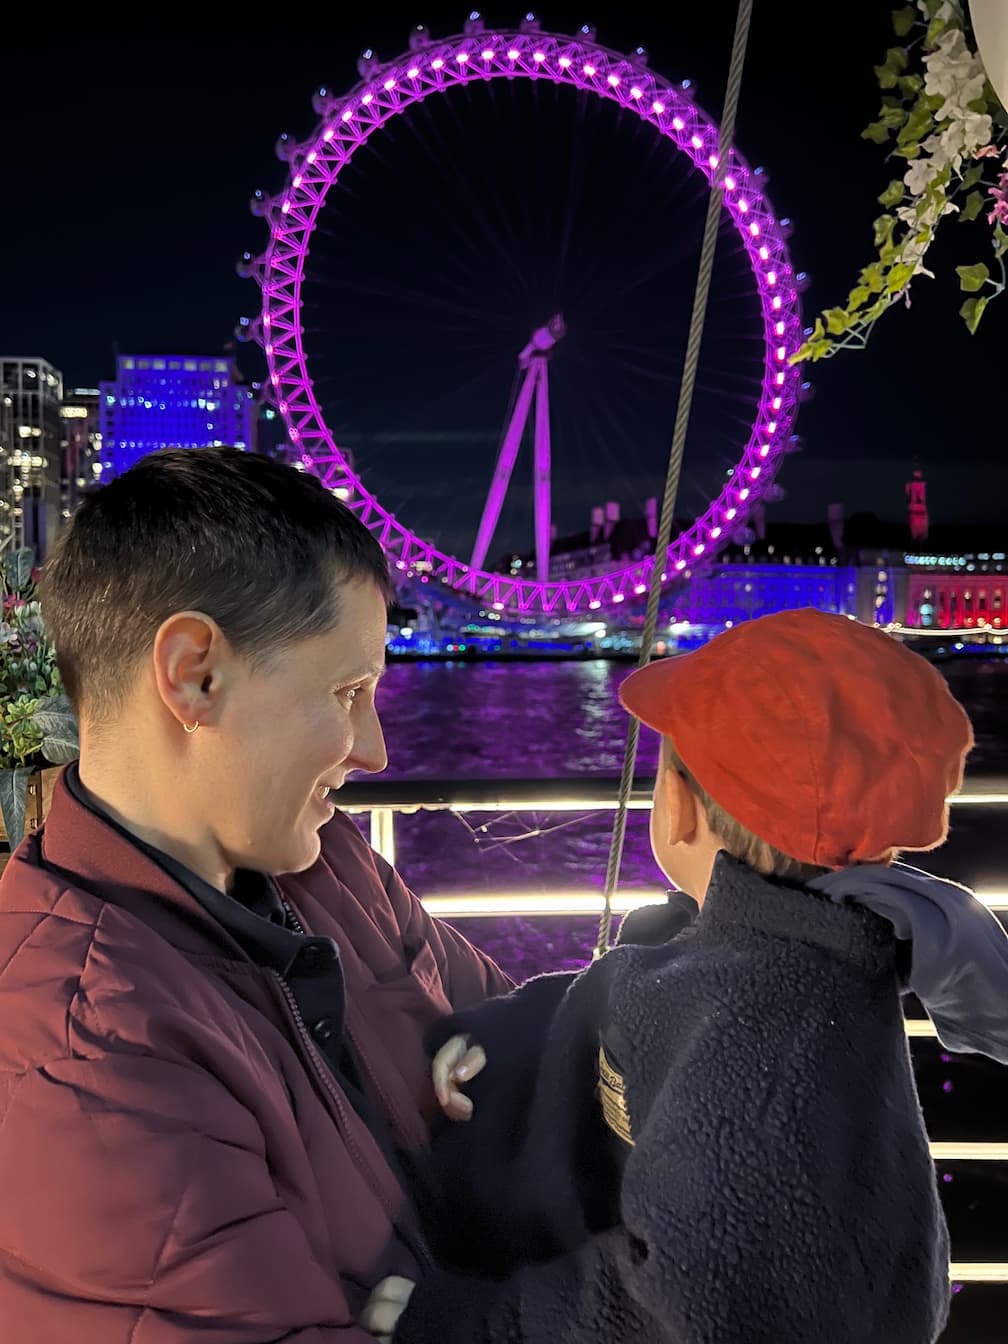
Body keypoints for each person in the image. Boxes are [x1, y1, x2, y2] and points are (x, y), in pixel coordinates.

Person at [363, 608, 1008, 1344]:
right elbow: (631, 997)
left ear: (678, 808)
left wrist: (459, 1326)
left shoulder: (761, 1028)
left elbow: (686, 1305)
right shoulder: (786, 952)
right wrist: (505, 1042)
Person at [0, 447, 510, 1342]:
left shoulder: (327, 865)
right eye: (348, 692)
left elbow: (511, 1030)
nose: (376, 751)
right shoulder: (77, 1055)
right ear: (194, 674)